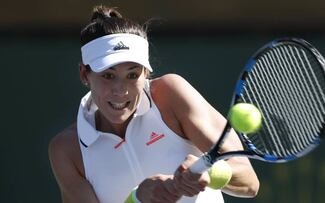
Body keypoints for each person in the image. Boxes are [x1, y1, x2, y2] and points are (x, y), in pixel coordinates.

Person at [48, 5, 259, 203]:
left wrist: (209, 173)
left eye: (132, 74)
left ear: (146, 73)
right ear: (84, 74)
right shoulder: (67, 150)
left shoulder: (170, 95)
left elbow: (249, 181)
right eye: (108, 75)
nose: (121, 90)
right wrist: (137, 198)